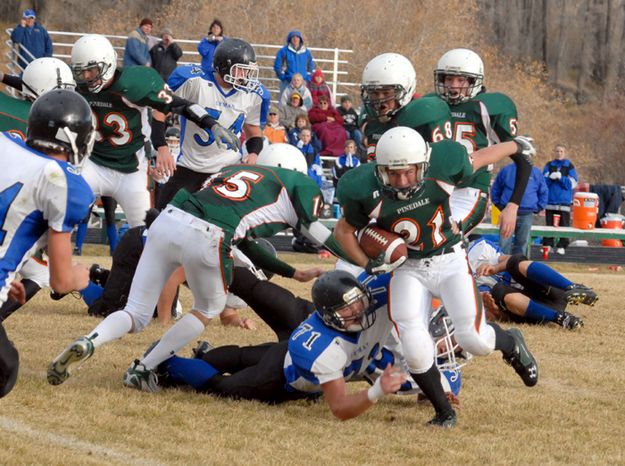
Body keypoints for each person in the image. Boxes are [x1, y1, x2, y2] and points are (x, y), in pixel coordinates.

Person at [47, 144, 353, 392]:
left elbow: (246, 241)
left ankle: (90, 340)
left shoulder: (235, 171)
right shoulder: (295, 184)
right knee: (207, 309)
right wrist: (363, 259)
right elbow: (320, 232)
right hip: (207, 234)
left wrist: (292, 272)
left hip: (167, 220)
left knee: (136, 312)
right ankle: (144, 368)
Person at [334, 126, 538, 427]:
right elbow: (344, 231)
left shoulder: (444, 164)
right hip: (408, 268)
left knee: (475, 340)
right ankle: (444, 412)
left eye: (409, 172)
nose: (402, 180)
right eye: (394, 173)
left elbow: (481, 157)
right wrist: (367, 263)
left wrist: (515, 146)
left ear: (423, 165)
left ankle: (510, 342)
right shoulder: (362, 187)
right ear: (380, 170)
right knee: (415, 350)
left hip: (449, 260)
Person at [150, 271, 407, 417]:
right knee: (222, 386)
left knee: (242, 356)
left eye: (358, 301)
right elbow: (339, 407)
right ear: (330, 315)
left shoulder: (354, 321)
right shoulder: (324, 349)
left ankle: (202, 359)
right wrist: (377, 391)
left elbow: (401, 277)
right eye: (348, 307)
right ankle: (167, 365)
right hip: (280, 379)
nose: (359, 310)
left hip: (285, 353)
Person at [69, 34, 238, 227]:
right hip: (93, 163)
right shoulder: (76, 86)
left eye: (92, 70)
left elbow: (179, 105)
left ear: (108, 64)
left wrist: (210, 123)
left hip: (131, 169)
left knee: (145, 233)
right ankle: (39, 256)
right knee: (60, 210)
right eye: (81, 71)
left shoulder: (136, 83)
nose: (87, 77)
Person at [0, 90, 95, 398]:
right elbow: (60, 281)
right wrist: (83, 275)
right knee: (4, 370)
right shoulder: (62, 180)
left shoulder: (4, 141)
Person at [155, 38, 267, 209]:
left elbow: (253, 132)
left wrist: (253, 154)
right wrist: (161, 147)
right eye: (240, 70)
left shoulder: (254, 94)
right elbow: (159, 110)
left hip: (227, 170)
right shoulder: (193, 80)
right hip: (189, 166)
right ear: (224, 66)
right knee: (158, 220)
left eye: (248, 71)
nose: (245, 76)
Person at [433, 48, 530, 237]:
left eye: (461, 80)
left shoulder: (486, 107)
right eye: (449, 79)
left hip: (469, 191)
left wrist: (512, 205)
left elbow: (523, 159)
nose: (453, 86)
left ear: (473, 81)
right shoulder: (432, 105)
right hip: (433, 189)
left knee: (443, 238)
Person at [468, 238, 596, 329]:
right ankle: (561, 318)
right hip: (537, 311)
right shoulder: (457, 289)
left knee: (515, 262)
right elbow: (503, 318)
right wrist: (495, 310)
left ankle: (572, 287)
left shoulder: (477, 249)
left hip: (550, 289)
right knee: (498, 290)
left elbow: (511, 259)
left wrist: (495, 267)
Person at [0, 56, 76, 139]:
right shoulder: (60, 127)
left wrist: (4, 77)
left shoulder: (10, 109)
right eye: (61, 91)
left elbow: (30, 86)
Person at [491, 164, 548, 255]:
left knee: (522, 243)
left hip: (526, 214)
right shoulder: (506, 170)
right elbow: (496, 188)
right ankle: (502, 266)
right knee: (504, 243)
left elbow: (543, 191)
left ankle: (518, 267)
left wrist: (539, 207)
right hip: (507, 214)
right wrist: (500, 206)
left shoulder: (535, 172)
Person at [543, 144, 578, 255]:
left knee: (564, 224)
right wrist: (550, 178)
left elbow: (572, 184)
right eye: (557, 151)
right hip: (551, 201)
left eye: (561, 151)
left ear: (564, 152)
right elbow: (543, 183)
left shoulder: (569, 166)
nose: (559, 153)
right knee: (549, 224)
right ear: (554, 152)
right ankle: (547, 244)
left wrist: (561, 177)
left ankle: (562, 246)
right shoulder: (549, 165)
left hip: (564, 202)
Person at [273, 30, 315, 95]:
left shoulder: (306, 52)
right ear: (290, 39)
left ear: (300, 39)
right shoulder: (284, 51)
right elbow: (277, 65)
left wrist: (307, 78)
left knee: (303, 102)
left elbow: (311, 65)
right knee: (285, 102)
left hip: (302, 82)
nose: (295, 39)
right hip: (287, 82)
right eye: (293, 37)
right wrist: (283, 77)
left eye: (297, 37)